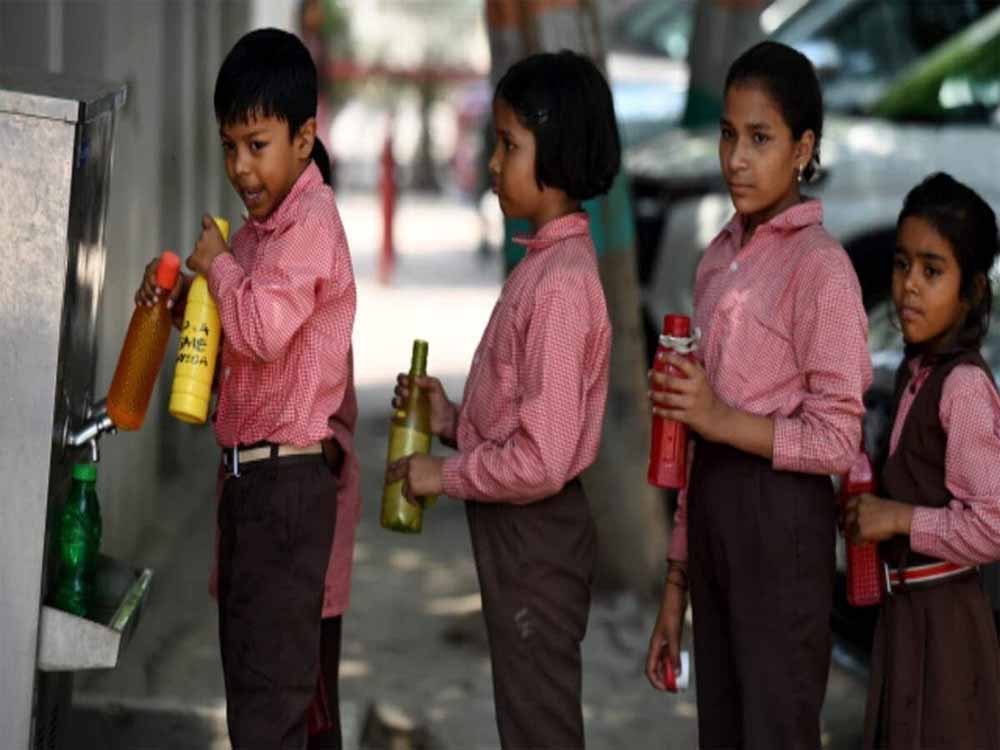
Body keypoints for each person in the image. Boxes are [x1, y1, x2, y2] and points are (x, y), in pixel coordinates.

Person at [387, 49, 619, 749]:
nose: (492, 163)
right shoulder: (542, 263)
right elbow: (524, 419)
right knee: (524, 715)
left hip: (536, 535)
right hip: (521, 532)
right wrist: (453, 420)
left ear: (558, 155)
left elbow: (542, 460)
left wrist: (444, 475)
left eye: (509, 146)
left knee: (538, 724)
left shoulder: (560, 286)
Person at [643, 41, 872, 748]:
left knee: (775, 729)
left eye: (761, 138)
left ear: (803, 149)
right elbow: (695, 438)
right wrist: (676, 584)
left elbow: (838, 439)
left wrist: (718, 415)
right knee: (723, 730)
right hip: (713, 511)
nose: (737, 158)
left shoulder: (821, 269)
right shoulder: (718, 258)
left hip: (781, 524)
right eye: (728, 135)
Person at [135, 28, 356, 748]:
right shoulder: (261, 232)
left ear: (304, 138)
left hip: (287, 488)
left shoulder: (310, 223)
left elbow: (260, 330)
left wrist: (220, 266)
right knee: (256, 697)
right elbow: (238, 344)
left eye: (257, 145)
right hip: (250, 486)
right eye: (229, 146)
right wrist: (181, 307)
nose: (240, 167)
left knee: (270, 711)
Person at [843, 172, 1000, 750]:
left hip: (948, 631)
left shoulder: (963, 388)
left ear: (971, 292)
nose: (909, 284)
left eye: (932, 271)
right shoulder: (914, 373)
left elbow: (992, 526)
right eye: (902, 264)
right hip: (904, 618)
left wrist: (897, 518)